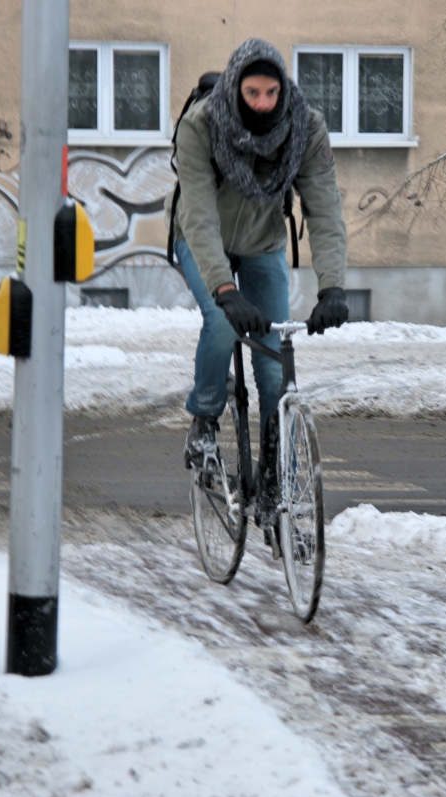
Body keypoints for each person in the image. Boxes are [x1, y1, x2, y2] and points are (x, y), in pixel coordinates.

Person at [174, 38, 349, 521]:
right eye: (253, 93)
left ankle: (277, 476)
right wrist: (225, 290)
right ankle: (205, 416)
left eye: (271, 93)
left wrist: (332, 284)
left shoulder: (304, 125)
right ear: (235, 89)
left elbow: (325, 207)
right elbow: (200, 215)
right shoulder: (202, 125)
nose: (264, 104)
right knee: (221, 321)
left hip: (264, 243)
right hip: (198, 238)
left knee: (274, 369)